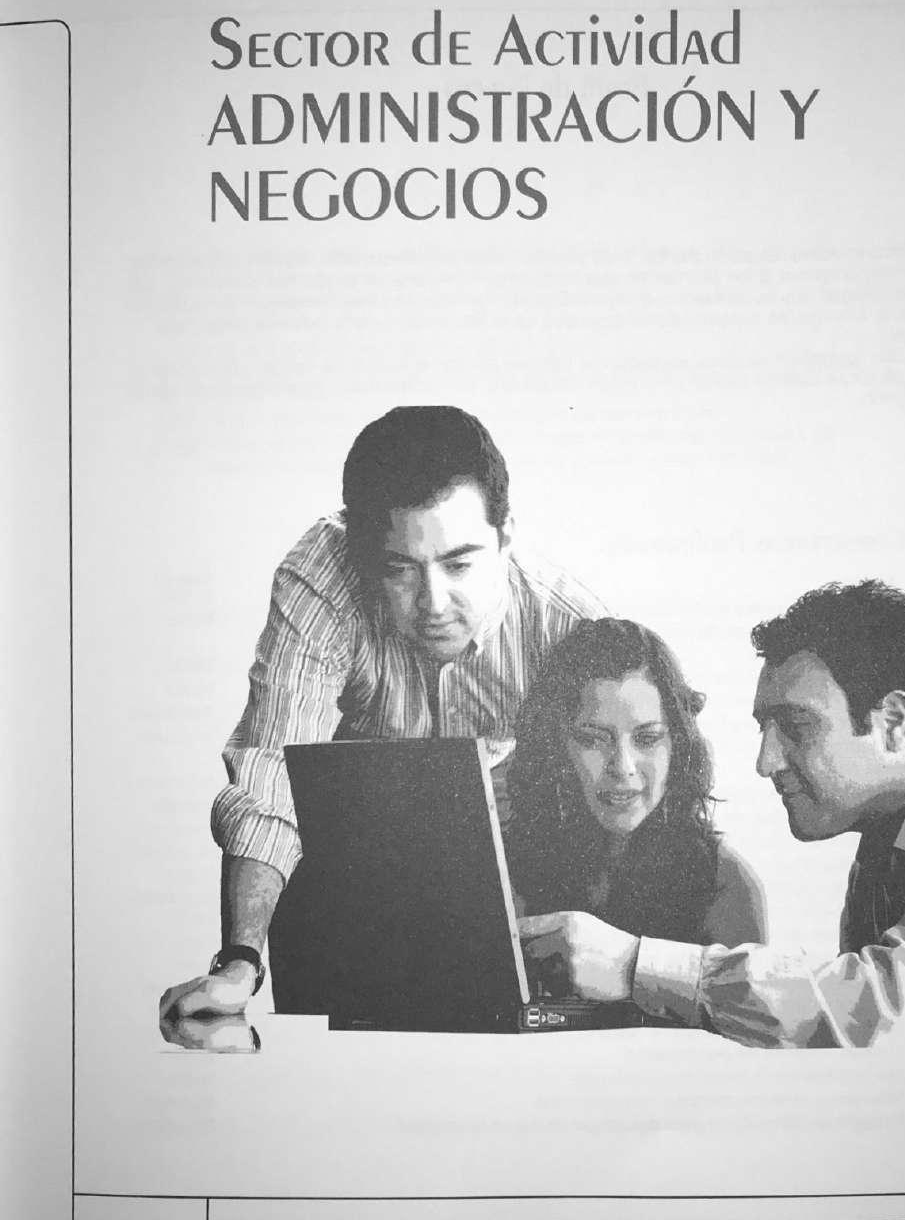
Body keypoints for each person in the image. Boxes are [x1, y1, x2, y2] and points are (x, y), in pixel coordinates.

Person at [161, 404, 605, 1020]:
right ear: (364, 552)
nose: (433, 604)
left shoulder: (569, 625)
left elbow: (633, 787)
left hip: (526, 913)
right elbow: (271, 776)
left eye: (459, 563)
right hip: (351, 901)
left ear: (506, 537)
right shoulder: (322, 581)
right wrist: (239, 963)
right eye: (401, 569)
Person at [520, 580, 905, 1048]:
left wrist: (634, 965)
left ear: (894, 723)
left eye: (796, 726)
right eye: (764, 729)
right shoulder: (884, 852)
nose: (766, 762)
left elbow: (895, 1015)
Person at [505, 618, 767, 950]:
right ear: (556, 745)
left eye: (647, 738)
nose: (622, 767)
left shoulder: (727, 882)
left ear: (678, 746)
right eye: (594, 739)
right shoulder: (502, 867)